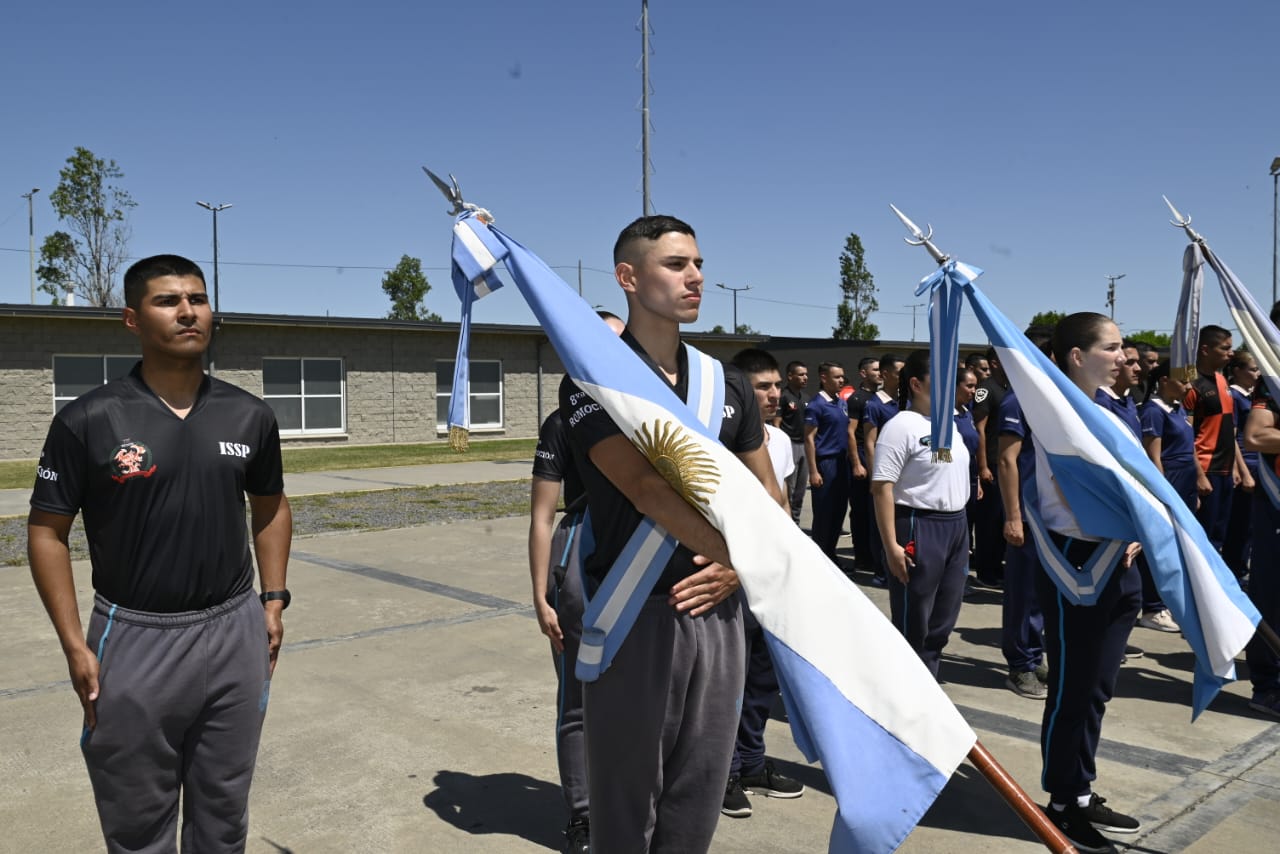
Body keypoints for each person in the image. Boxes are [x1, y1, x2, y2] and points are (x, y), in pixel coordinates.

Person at [27, 254, 293, 853]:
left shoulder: (249, 415)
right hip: (134, 636)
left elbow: (271, 506)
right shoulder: (87, 420)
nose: (187, 311)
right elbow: (46, 531)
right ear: (131, 319)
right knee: (137, 817)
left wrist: (271, 601)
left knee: (223, 810)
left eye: (197, 298)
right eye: (167, 301)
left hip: (232, 632)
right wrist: (75, 643)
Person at [558, 215, 783, 852]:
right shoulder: (591, 379)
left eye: (698, 264)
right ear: (628, 278)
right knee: (628, 806)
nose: (696, 277)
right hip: (638, 613)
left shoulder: (727, 382)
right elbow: (645, 488)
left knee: (699, 794)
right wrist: (741, 551)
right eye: (676, 264)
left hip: (721, 608)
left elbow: (770, 495)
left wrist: (739, 568)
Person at [1031, 312, 1143, 852]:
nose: (1124, 356)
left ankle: (1080, 790)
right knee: (1073, 690)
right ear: (1078, 355)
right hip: (1082, 561)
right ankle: (1060, 801)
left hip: (1122, 559)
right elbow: (1076, 493)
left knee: (1097, 689)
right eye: (1113, 347)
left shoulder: (1109, 411)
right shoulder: (1057, 416)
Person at [528, 311, 626, 854]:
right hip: (582, 562)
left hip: (650, 560)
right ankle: (585, 816)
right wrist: (540, 594)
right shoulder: (562, 421)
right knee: (578, 702)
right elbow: (543, 514)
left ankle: (633, 803)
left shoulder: (654, 409)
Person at [721, 348, 805, 818]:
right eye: (763, 387)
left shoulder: (777, 439)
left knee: (761, 678)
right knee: (727, 680)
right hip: (732, 574)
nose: (775, 395)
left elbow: (784, 507)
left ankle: (751, 761)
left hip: (772, 574)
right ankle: (724, 771)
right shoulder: (724, 436)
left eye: (777, 386)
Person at [871, 350, 971, 679]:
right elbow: (882, 488)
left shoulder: (950, 424)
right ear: (915, 384)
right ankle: (904, 692)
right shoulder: (901, 427)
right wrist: (891, 547)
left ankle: (927, 683)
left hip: (956, 525)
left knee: (943, 617)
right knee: (914, 618)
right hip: (918, 524)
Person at [1111, 342, 1178, 634]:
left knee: (1128, 594)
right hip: (1116, 509)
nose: (1140, 368)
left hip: (1135, 502)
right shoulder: (1101, 404)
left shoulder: (1128, 402)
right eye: (1132, 362)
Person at [1185, 325, 1252, 554]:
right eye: (1225, 348)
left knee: (1220, 536)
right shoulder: (1190, 384)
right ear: (1205, 349)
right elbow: (1187, 435)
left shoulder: (1223, 381)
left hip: (1225, 471)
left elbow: (1228, 431)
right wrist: (1199, 475)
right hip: (1206, 470)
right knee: (1204, 539)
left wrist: (1235, 466)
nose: (1231, 353)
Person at [1242, 358, 1280, 718]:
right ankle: (1267, 686)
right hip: (1276, 510)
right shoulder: (1271, 385)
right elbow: (1255, 436)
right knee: (1272, 597)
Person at [804, 362, 853, 564]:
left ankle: (831, 553)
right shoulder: (816, 405)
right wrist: (813, 471)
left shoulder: (840, 403)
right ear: (824, 378)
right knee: (824, 513)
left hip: (842, 463)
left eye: (842, 376)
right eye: (837, 377)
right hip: (826, 463)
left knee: (839, 511)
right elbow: (809, 439)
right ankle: (820, 557)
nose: (841, 380)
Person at [972, 347, 1011, 589]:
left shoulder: (1007, 388)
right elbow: (980, 428)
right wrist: (983, 465)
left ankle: (997, 567)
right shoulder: (986, 389)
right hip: (992, 464)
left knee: (1001, 520)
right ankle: (986, 570)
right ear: (995, 363)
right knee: (989, 522)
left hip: (1006, 463)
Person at [863, 353, 904, 586]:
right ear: (886, 374)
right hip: (885, 472)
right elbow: (870, 442)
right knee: (881, 521)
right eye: (900, 372)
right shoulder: (875, 403)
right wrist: (874, 474)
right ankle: (881, 572)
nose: (904, 376)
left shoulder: (906, 401)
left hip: (903, 473)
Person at [1223, 351, 1261, 580]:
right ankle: (1235, 572)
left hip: (1259, 465)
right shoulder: (1234, 397)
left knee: (1252, 527)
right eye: (1253, 369)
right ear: (1237, 370)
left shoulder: (1253, 396)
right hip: (1246, 463)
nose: (1257, 374)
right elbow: (1231, 436)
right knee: (1239, 525)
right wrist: (1243, 471)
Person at [845, 356, 882, 572]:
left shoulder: (881, 398)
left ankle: (873, 553)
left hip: (877, 456)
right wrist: (857, 463)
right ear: (863, 373)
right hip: (862, 456)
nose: (879, 373)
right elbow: (850, 432)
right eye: (875, 369)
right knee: (860, 511)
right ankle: (862, 557)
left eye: (880, 369)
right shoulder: (857, 399)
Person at [777, 360, 810, 524]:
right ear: (790, 376)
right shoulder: (783, 396)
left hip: (804, 446)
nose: (805, 378)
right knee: (788, 489)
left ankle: (795, 523)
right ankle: (785, 523)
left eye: (806, 374)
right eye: (801, 374)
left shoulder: (806, 398)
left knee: (800, 490)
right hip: (789, 446)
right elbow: (777, 423)